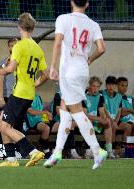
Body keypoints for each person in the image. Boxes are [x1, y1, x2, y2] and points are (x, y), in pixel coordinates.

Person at [44, 0, 107, 170]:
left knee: (76, 111)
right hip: (82, 71)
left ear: (71, 2)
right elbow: (101, 48)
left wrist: (53, 66)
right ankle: (57, 152)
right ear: (87, 4)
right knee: (65, 109)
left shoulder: (63, 19)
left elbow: (57, 43)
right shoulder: (93, 24)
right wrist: (89, 59)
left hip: (68, 71)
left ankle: (97, 150)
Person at [0, 13, 49, 167]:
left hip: (19, 92)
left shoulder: (19, 46)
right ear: (33, 27)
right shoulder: (37, 48)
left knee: (2, 124)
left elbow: (10, 68)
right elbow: (46, 75)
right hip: (29, 93)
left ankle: (32, 151)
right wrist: (34, 84)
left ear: (19, 27)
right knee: (5, 123)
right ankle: (10, 159)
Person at [84, 76, 115, 159]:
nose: (95, 89)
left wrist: (104, 119)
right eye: (94, 86)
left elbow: (101, 112)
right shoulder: (83, 96)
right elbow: (84, 115)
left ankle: (109, 150)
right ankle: (88, 150)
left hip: (95, 121)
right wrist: (99, 119)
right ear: (90, 85)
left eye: (98, 87)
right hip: (82, 122)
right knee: (88, 121)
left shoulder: (100, 96)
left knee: (107, 122)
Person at [102, 76, 132, 154]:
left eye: (112, 85)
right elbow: (104, 110)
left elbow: (119, 111)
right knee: (112, 127)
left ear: (115, 86)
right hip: (105, 119)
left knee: (128, 127)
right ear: (106, 85)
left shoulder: (119, 97)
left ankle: (123, 148)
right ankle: (112, 149)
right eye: (108, 84)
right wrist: (112, 122)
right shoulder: (102, 94)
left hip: (116, 120)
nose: (110, 87)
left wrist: (115, 121)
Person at [0, 38, 18, 107]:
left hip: (20, 95)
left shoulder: (24, 61)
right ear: (9, 47)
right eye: (12, 46)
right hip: (8, 95)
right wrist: (1, 98)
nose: (14, 48)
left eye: (16, 45)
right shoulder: (3, 62)